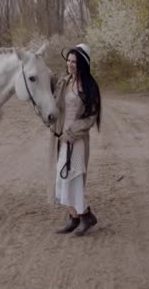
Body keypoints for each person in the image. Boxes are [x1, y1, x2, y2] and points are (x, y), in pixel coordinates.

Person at [49, 43, 101, 236]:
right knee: (62, 179)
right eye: (69, 61)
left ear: (83, 65)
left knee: (74, 179)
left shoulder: (89, 88)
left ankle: (85, 215)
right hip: (63, 140)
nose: (70, 64)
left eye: (75, 62)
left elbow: (90, 117)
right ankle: (73, 217)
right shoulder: (64, 81)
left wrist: (71, 134)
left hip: (77, 142)